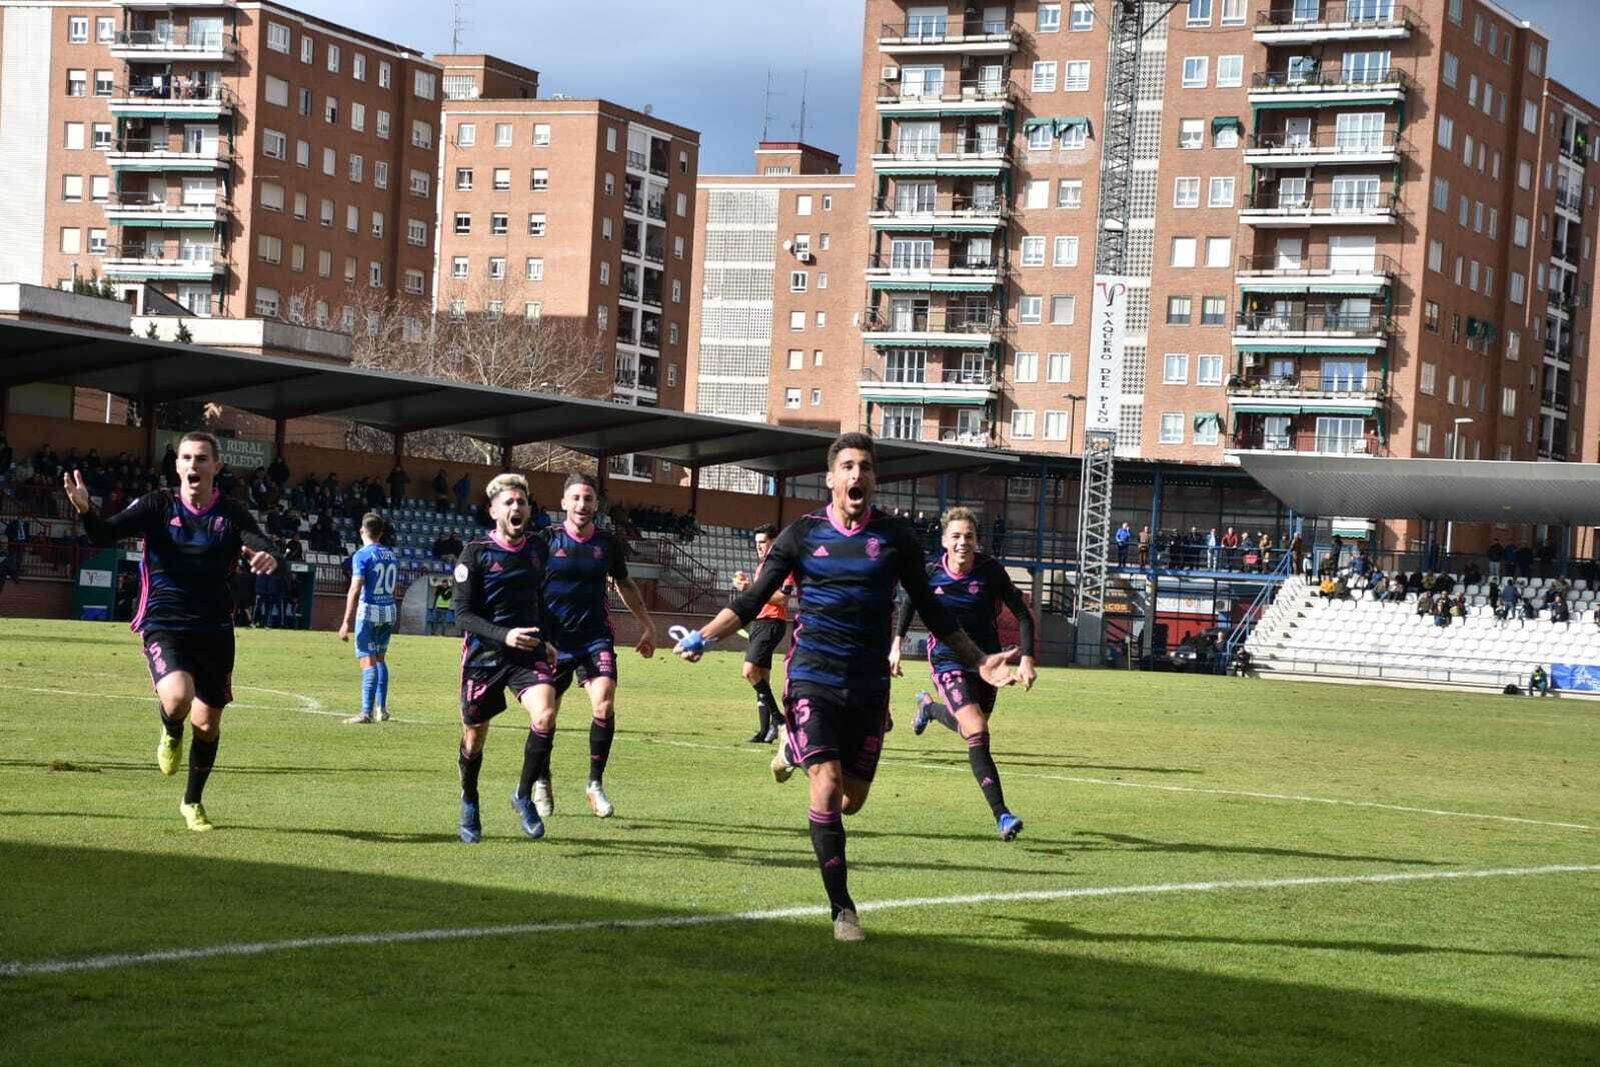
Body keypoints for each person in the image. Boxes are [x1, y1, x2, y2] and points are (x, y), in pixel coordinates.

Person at [673, 433, 1017, 942]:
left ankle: (793, 746)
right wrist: (704, 635)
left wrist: (980, 659)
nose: (858, 475)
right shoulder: (802, 535)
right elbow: (751, 601)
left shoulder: (896, 540)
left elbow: (934, 611)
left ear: (874, 479)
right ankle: (843, 910)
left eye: (866, 468)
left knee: (852, 800)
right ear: (832, 477)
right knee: (828, 787)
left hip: (869, 685)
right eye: (848, 467)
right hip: (813, 674)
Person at [62, 432, 280, 832]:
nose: (193, 465)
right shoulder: (157, 505)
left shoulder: (230, 512)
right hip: (164, 620)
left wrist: (267, 553)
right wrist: (87, 510)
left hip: (215, 628)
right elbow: (102, 534)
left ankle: (192, 802)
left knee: (209, 724)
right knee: (178, 698)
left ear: (216, 466)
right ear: (176, 465)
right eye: (186, 458)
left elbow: (259, 541)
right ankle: (169, 727)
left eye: (201, 458)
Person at [892, 506, 1036, 839]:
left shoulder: (991, 571)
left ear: (977, 541)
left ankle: (928, 708)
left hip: (988, 664)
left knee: (969, 728)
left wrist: (1027, 658)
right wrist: (896, 643)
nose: (962, 542)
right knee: (977, 729)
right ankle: (1002, 815)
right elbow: (910, 602)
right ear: (944, 540)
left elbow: (1024, 616)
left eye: (968, 536)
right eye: (955, 536)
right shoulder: (929, 573)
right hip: (947, 658)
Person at [535, 472, 659, 820]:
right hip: (553, 643)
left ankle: (594, 784)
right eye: (575, 498)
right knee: (545, 717)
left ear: (596, 505)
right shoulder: (545, 540)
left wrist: (647, 625)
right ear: (563, 502)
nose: (582, 504)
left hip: (594, 638)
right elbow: (526, 586)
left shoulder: (607, 543)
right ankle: (542, 779)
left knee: (604, 705)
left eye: (588, 498)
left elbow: (625, 584)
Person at [451, 473, 559, 843]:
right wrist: (503, 634)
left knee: (545, 714)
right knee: (473, 739)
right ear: (493, 509)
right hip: (484, 656)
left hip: (527, 654)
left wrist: (545, 639)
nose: (516, 508)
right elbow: (461, 615)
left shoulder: (537, 550)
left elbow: (539, 600)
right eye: (509, 503)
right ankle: (470, 798)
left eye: (522, 502)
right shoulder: (475, 553)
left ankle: (522, 795)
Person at [732, 523, 792, 744]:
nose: (759, 547)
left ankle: (780, 721)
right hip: (760, 623)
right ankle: (765, 731)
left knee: (749, 672)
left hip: (771, 622)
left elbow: (782, 598)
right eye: (756, 543)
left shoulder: (782, 566)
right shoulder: (762, 567)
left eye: (763, 542)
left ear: (773, 542)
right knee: (762, 676)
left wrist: (751, 589)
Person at [339, 514, 399, 724]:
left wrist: (346, 621)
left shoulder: (362, 555)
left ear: (362, 530)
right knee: (380, 659)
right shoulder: (391, 554)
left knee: (368, 660)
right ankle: (382, 709)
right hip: (390, 609)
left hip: (369, 610)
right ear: (381, 532)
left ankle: (366, 712)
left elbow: (355, 588)